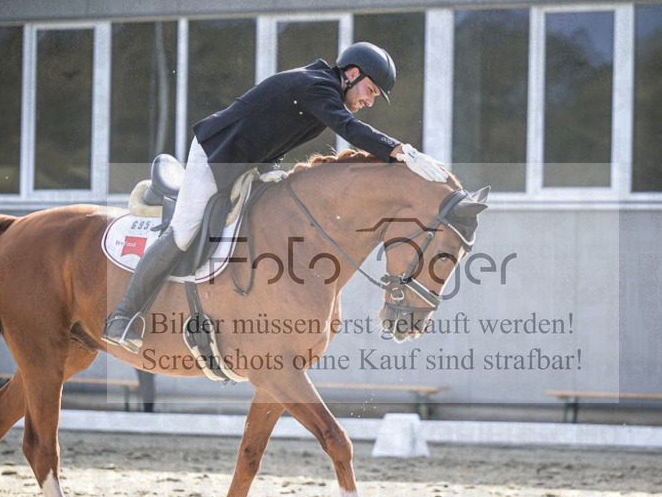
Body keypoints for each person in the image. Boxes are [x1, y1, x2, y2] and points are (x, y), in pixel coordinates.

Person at [102, 41, 449, 352]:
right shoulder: (317, 87)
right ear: (352, 74)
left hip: (250, 163)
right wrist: (398, 150)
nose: (369, 101)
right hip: (216, 157)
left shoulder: (322, 88)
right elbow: (349, 130)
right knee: (183, 231)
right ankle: (122, 316)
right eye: (370, 90)